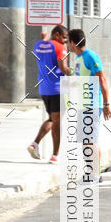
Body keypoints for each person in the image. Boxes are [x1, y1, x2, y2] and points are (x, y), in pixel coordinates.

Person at [67, 29, 111, 173]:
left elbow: (102, 79)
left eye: (68, 41)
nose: (67, 45)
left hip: (92, 105)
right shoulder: (79, 58)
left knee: (90, 141)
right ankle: (91, 171)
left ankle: (95, 173)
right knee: (86, 142)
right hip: (83, 105)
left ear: (73, 43)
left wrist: (106, 104)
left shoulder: (91, 57)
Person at [28, 25, 71, 163]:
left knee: (53, 119)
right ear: (57, 34)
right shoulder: (60, 48)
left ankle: (39, 147)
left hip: (44, 89)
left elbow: (45, 41)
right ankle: (53, 154)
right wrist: (77, 72)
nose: (65, 41)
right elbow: (63, 68)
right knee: (55, 121)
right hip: (57, 88)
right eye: (64, 38)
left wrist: (45, 37)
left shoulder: (38, 45)